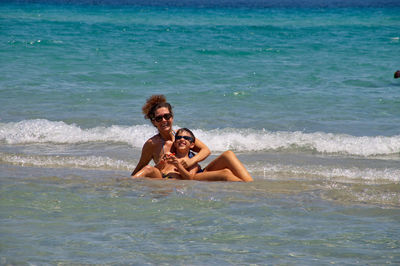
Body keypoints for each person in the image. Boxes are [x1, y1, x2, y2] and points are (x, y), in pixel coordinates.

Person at [131, 95, 253, 182]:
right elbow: (141, 167)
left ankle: (249, 185)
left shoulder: (181, 136)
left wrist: (190, 161)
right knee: (225, 174)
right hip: (175, 177)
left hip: (194, 172)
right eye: (159, 118)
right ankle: (246, 190)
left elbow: (206, 150)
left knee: (228, 155)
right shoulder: (152, 144)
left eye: (167, 116)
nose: (164, 120)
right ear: (154, 122)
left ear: (172, 117)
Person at [132, 128, 244, 181]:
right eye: (179, 138)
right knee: (147, 168)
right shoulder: (170, 155)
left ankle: (246, 187)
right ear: (175, 143)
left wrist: (178, 165)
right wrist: (161, 163)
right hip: (162, 178)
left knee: (227, 171)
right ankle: (130, 183)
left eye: (186, 138)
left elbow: (190, 177)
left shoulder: (192, 161)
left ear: (191, 145)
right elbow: (157, 169)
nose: (182, 139)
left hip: (173, 181)